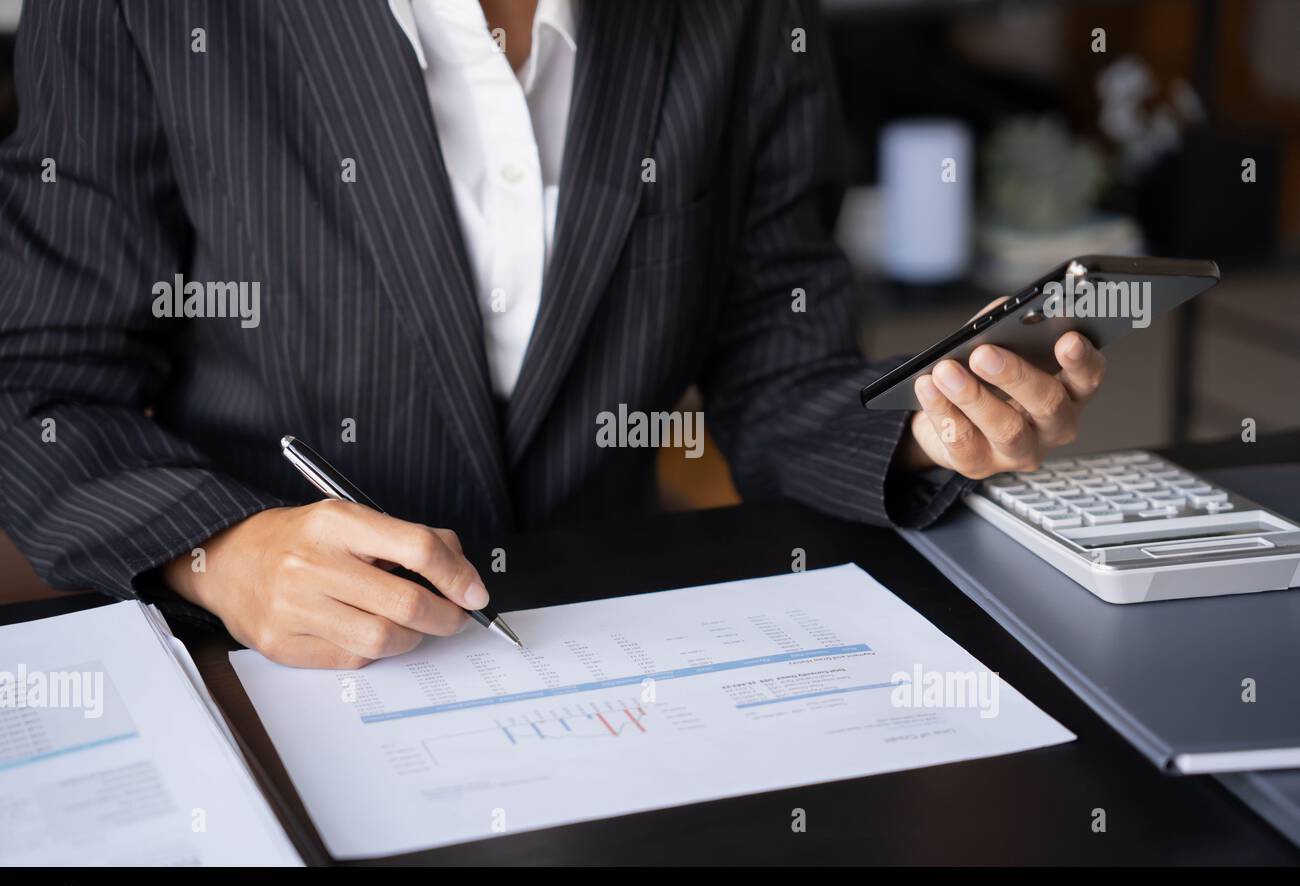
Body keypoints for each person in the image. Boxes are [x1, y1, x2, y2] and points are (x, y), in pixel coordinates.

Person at [0, 0, 1105, 668]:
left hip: (618, 671)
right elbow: (38, 383)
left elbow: (778, 363)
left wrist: (921, 427)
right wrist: (217, 550)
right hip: (276, 677)